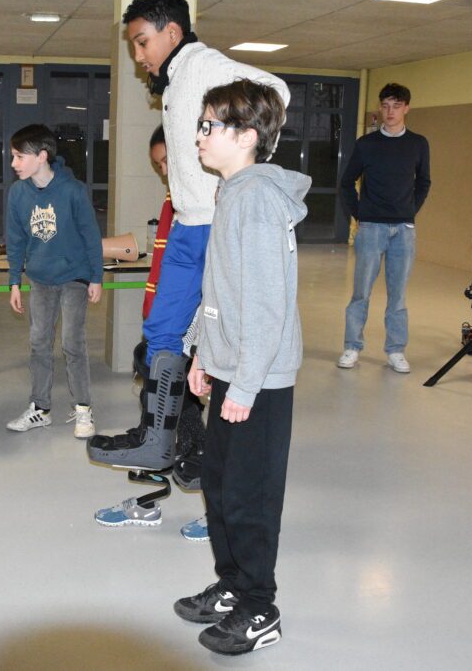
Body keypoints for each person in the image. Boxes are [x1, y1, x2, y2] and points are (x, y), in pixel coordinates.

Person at [89, 0, 289, 483]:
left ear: (172, 32)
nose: (138, 56)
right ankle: (157, 438)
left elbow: (276, 89)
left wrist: (244, 165)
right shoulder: (178, 78)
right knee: (161, 332)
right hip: (185, 223)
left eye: (142, 43)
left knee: (216, 344)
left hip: (210, 227)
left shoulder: (202, 66)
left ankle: (206, 450)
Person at [177, 79, 309, 656]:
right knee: (221, 487)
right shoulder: (231, 191)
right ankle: (233, 587)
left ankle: (260, 606)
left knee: (250, 498)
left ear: (247, 136)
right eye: (201, 124)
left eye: (210, 126)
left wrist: (246, 382)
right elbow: (221, 292)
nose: (199, 135)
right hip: (233, 366)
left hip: (260, 376)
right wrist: (204, 352)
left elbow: (265, 303)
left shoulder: (255, 198)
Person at [93, 126, 208, 541]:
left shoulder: (205, 203)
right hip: (163, 328)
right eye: (158, 165)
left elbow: (203, 280)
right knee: (156, 424)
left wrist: (196, 345)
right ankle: (148, 502)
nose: (164, 171)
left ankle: (218, 512)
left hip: (189, 335)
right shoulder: (174, 199)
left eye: (168, 162)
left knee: (190, 432)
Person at [4, 124, 103, 438]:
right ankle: (40, 409)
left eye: (20, 156)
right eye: (13, 157)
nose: (14, 163)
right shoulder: (18, 193)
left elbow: (91, 234)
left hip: (74, 275)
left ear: (41, 156)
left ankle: (84, 410)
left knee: (72, 343)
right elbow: (16, 239)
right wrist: (14, 282)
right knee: (39, 343)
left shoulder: (72, 190)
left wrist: (96, 277)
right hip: (40, 279)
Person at [337, 82, 431, 373]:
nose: (390, 112)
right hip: (371, 228)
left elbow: (424, 182)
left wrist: (409, 211)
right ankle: (352, 347)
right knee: (361, 292)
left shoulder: (418, 144)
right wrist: (360, 215)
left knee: (398, 295)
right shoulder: (367, 144)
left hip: (403, 230)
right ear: (381, 108)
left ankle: (395, 350)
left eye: (397, 106)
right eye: (386, 105)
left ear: (406, 109)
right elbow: (346, 182)